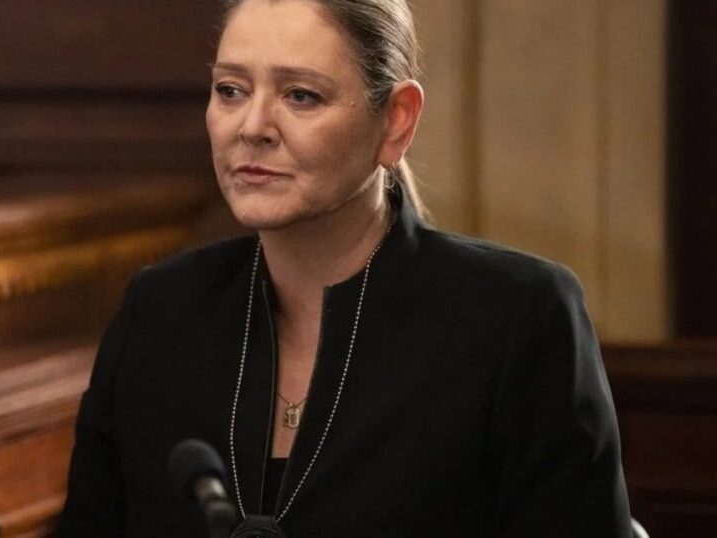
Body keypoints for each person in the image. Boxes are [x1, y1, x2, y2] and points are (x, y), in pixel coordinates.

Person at [59, 0, 632, 536]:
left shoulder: (517, 317)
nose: (251, 126)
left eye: (301, 96)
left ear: (396, 123)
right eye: (230, 90)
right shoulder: (159, 311)